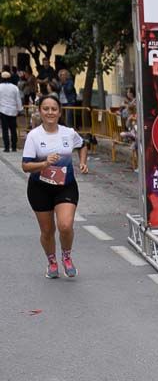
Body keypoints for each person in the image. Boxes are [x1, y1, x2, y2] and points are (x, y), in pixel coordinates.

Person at [21, 95, 89, 278]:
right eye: (46, 108)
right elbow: (26, 166)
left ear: (59, 112)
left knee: (65, 226)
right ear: (40, 111)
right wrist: (43, 164)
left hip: (65, 186)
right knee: (47, 231)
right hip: (39, 189)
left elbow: (83, 145)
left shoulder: (68, 132)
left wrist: (82, 162)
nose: (50, 112)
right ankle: (51, 261)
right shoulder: (33, 136)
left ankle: (66, 256)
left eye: (53, 109)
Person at [0, 69, 23, 152]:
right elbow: (18, 99)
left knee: (5, 130)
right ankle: (14, 147)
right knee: (13, 129)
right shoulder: (14, 87)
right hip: (13, 111)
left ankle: (6, 147)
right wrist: (20, 109)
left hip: (3, 111)